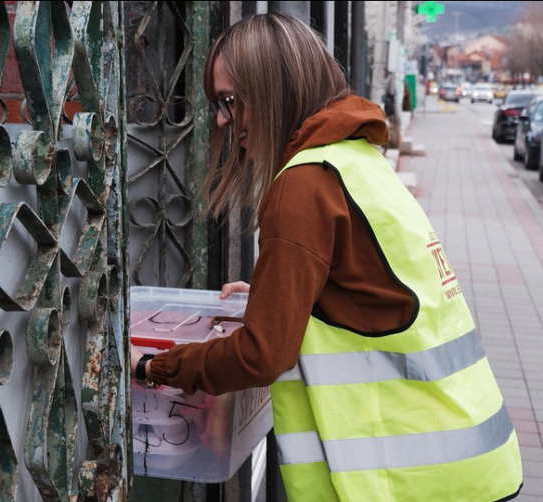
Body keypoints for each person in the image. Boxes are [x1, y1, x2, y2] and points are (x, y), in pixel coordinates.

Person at [130, 13, 523, 502]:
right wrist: (285, 296)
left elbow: (261, 355)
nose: (222, 120)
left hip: (420, 480)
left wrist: (151, 366)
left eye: (230, 102)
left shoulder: (303, 184)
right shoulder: (356, 159)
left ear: (273, 90)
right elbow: (371, 292)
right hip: (470, 457)